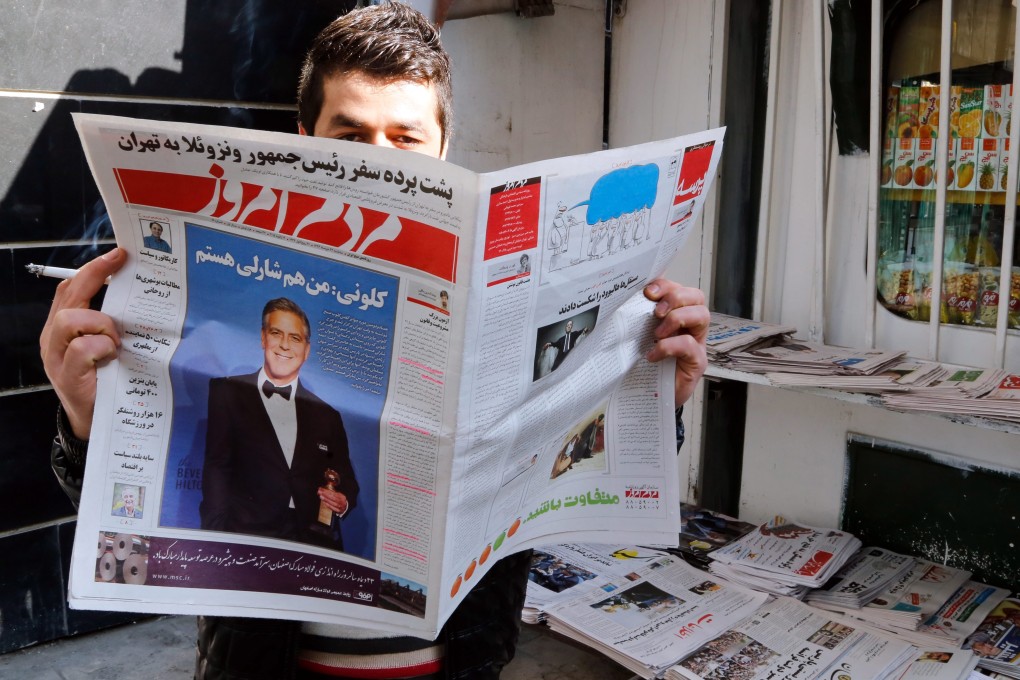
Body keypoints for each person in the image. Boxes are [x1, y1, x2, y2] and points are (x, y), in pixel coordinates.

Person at [41, 4, 710, 678]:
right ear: (306, 140)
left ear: (443, 149)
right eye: (351, 135)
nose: (381, 164)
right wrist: (87, 422)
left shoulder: (500, 300)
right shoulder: (232, 322)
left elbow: (565, 470)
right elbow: (150, 520)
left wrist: (656, 395)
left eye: (406, 139)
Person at [199, 297, 358, 550]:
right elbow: (217, 467)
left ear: (306, 350)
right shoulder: (227, 391)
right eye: (276, 333)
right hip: (245, 533)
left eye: (295, 338)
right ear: (263, 338)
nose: (284, 345)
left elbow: (346, 478)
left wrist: (343, 500)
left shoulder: (329, 415)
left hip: (312, 542)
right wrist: (216, 532)